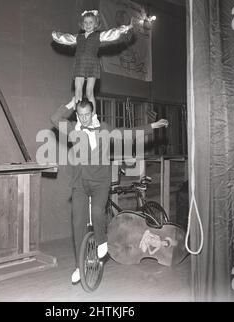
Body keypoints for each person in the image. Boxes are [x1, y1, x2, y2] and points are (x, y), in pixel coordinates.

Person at [51, 97, 168, 284]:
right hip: (80, 183)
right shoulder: (74, 129)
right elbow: (55, 118)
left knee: (97, 211)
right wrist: (72, 103)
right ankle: (78, 267)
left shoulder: (105, 129)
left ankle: (101, 241)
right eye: (80, 116)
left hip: (100, 183)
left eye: (87, 115)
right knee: (77, 222)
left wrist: (152, 126)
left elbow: (128, 133)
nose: (84, 119)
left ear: (93, 112)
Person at [52, 10, 136, 116]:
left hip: (92, 64)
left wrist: (127, 27)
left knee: (89, 92)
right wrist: (55, 35)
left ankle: (93, 116)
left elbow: (113, 33)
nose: (88, 25)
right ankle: (79, 116)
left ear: (95, 24)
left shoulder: (99, 36)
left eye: (91, 22)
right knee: (78, 90)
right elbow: (66, 38)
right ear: (82, 24)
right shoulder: (78, 37)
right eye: (86, 22)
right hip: (80, 64)